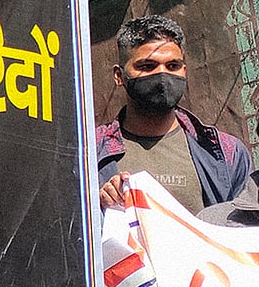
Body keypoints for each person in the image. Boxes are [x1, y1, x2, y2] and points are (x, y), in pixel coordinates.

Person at [97, 15, 253, 213]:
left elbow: (245, 230)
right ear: (119, 76)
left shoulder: (226, 152)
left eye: (172, 66)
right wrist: (99, 205)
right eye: (147, 66)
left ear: (184, 70)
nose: (162, 76)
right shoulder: (91, 154)